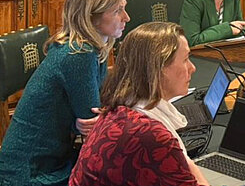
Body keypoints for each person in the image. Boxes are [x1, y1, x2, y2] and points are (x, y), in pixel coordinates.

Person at [0, 0, 130, 185]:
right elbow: (93, 128)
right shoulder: (78, 54)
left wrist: (90, 121)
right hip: (32, 171)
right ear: (91, 17)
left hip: (56, 156)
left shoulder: (94, 48)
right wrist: (91, 121)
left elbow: (99, 110)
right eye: (117, 11)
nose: (127, 17)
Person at [69, 22, 209, 186]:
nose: (192, 68)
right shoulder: (150, 134)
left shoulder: (119, 109)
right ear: (159, 67)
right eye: (185, 59)